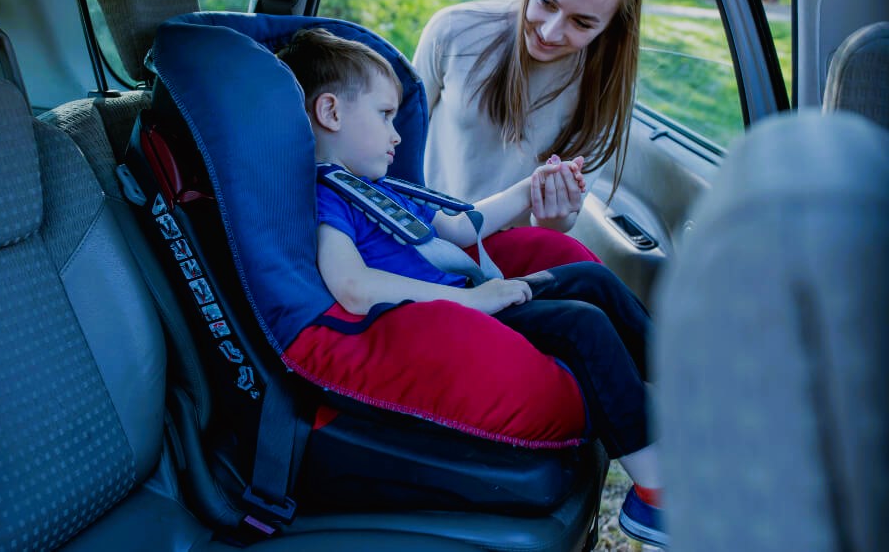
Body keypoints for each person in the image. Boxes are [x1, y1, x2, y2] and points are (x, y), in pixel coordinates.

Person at [277, 27, 667, 548]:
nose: (397, 135)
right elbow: (352, 286)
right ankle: (655, 497)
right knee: (582, 323)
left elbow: (462, 227)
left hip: (478, 299)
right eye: (384, 116)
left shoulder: (380, 190)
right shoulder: (331, 198)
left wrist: (529, 188)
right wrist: (472, 300)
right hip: (454, 318)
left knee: (591, 278)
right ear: (330, 113)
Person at [413, 0, 647, 239]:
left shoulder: (606, 87)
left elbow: (556, 226)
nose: (549, 32)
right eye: (546, 2)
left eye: (581, 23)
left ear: (611, 28)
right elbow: (395, 139)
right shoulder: (453, 30)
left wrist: (555, 213)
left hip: (509, 258)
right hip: (423, 232)